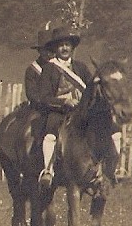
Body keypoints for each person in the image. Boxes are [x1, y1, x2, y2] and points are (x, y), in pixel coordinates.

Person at [33, 25, 94, 187]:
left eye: (67, 44)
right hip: (58, 112)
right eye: (61, 45)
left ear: (72, 47)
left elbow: (91, 89)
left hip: (81, 112)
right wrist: (63, 102)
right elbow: (43, 97)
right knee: (50, 135)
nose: (64, 48)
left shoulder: (81, 67)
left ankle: (101, 171)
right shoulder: (49, 69)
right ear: (56, 48)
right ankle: (48, 170)